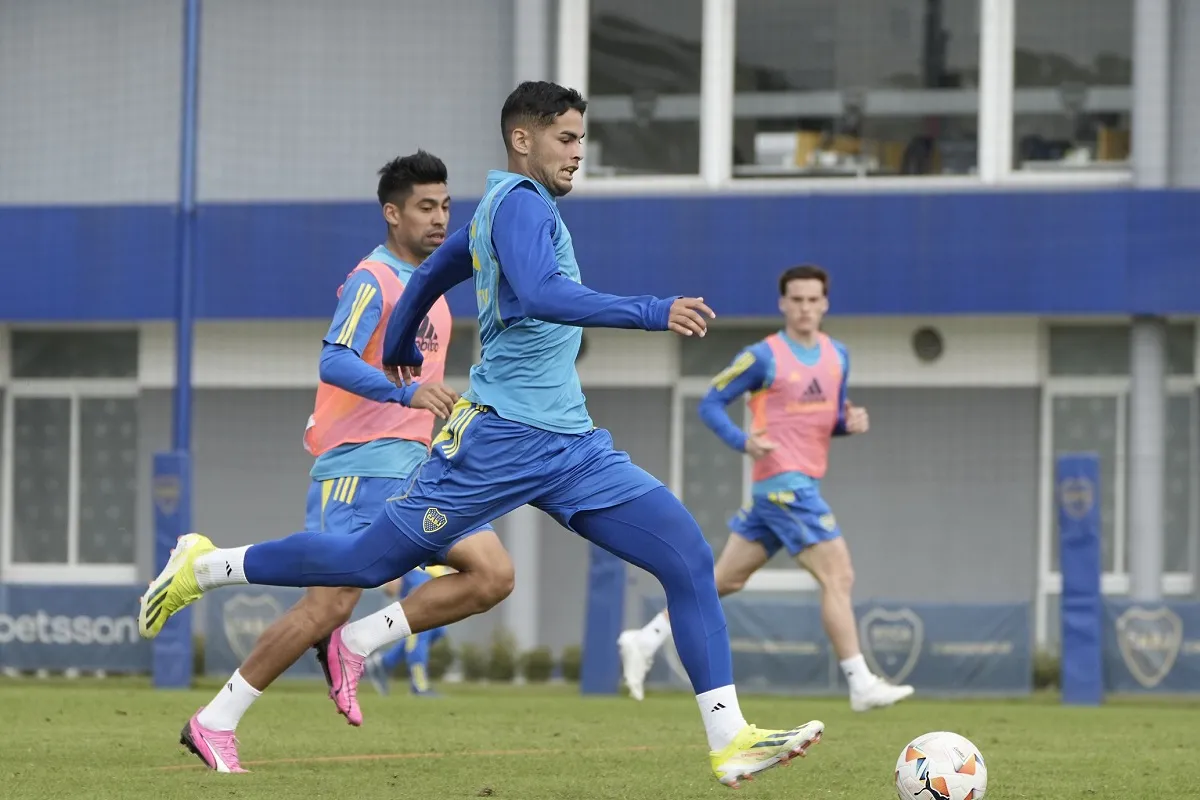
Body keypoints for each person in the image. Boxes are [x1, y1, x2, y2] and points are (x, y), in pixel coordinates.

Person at [139, 80, 824, 789]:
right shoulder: (521, 205)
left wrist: (402, 336)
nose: (578, 152)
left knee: (683, 551)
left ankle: (729, 738)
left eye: (583, 139)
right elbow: (539, 294)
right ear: (522, 139)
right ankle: (207, 565)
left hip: (572, 445)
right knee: (364, 564)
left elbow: (438, 268)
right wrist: (652, 309)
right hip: (499, 442)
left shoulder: (503, 208)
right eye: (566, 137)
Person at [176, 151, 512, 773]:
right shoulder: (373, 278)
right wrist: (405, 391)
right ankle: (214, 719)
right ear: (392, 213)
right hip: (357, 469)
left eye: (445, 206)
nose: (440, 219)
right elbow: (334, 359)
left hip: (416, 468)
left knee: (491, 574)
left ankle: (355, 645)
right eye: (424, 207)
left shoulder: (433, 290)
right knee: (324, 607)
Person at [617, 265, 915, 713]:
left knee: (725, 579)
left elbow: (824, 420)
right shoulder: (763, 356)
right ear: (783, 304)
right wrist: (743, 441)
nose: (805, 308)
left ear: (825, 304)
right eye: (796, 300)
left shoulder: (839, 357)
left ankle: (646, 638)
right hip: (784, 487)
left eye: (813, 300)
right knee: (839, 576)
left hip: (789, 489)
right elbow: (711, 402)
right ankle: (859, 683)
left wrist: (847, 424)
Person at [364, 566, 452, 697]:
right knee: (421, 628)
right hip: (415, 570)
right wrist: (393, 574)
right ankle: (419, 686)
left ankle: (385, 662)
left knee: (437, 630)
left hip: (436, 574)